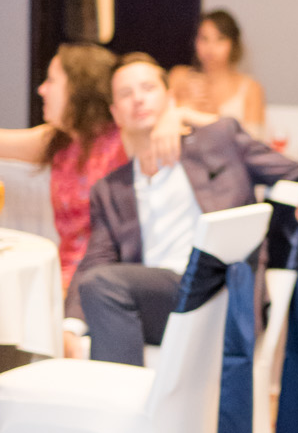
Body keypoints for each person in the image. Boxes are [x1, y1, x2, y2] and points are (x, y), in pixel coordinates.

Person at [72, 53, 298, 365]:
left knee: (104, 286)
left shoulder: (218, 143)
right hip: (158, 300)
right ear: (116, 114)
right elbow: (95, 261)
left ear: (169, 98)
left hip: (222, 296)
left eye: (148, 88)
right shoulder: (110, 189)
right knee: (101, 289)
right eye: (126, 94)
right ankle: (137, 405)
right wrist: (70, 327)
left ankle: (127, 408)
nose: (138, 99)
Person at [0, 44, 184, 338]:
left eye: (51, 81)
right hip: (57, 276)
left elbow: (182, 118)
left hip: (102, 281)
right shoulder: (57, 141)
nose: (41, 90)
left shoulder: (123, 137)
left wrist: (173, 115)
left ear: (79, 87)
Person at [168, 9, 266, 136]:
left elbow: (253, 143)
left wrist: (211, 114)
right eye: (204, 38)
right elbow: (157, 124)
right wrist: (185, 105)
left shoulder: (251, 88)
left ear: (233, 44)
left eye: (220, 39)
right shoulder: (179, 76)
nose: (210, 47)